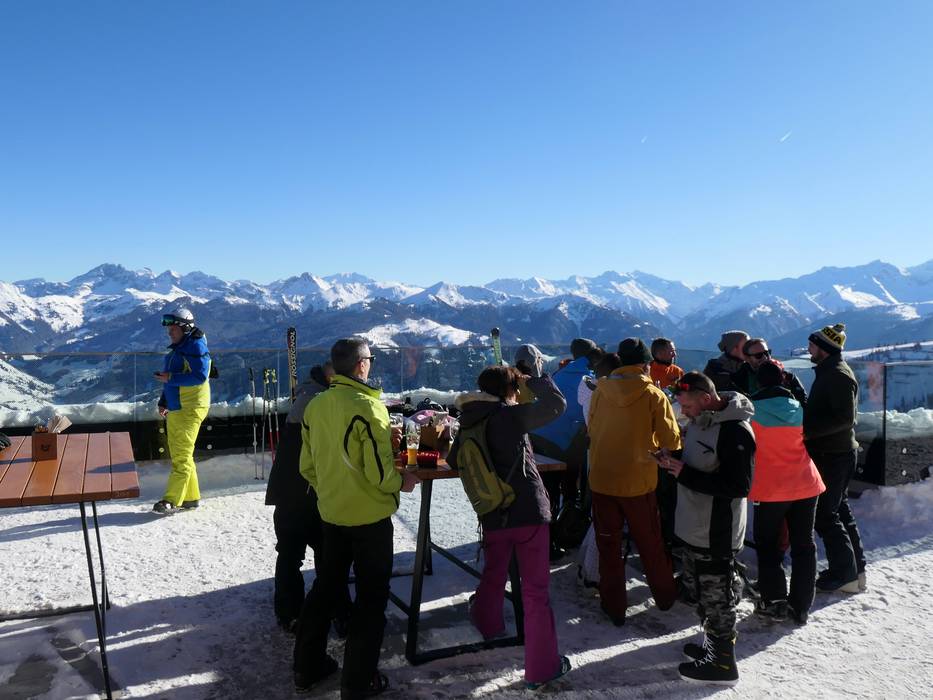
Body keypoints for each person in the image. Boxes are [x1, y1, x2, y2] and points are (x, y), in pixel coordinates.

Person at [292, 338, 419, 698]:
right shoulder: (369, 407)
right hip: (370, 519)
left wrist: (334, 491)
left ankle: (306, 668)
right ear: (362, 365)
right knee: (371, 598)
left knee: (325, 589)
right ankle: (358, 683)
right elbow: (380, 474)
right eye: (370, 359)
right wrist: (402, 482)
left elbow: (307, 467)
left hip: (332, 515)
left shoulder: (316, 406)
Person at [448, 364, 571, 690]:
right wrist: (536, 382)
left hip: (493, 512)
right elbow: (556, 405)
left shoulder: (469, 419)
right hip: (528, 512)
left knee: (494, 570)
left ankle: (487, 623)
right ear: (509, 390)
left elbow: (454, 459)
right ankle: (541, 669)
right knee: (535, 592)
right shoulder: (509, 416)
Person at [661, 372, 755, 685]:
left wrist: (684, 473)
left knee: (717, 598)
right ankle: (712, 648)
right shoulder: (703, 421)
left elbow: (738, 486)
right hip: (695, 526)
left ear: (705, 398)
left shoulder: (735, 431)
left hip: (716, 531)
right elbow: (700, 459)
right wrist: (673, 459)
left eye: (687, 406)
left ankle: (723, 665)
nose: (684, 412)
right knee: (701, 593)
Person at [587, 339, 681, 625]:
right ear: (644, 364)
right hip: (638, 481)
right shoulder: (653, 394)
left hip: (602, 478)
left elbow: (592, 429)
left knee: (608, 544)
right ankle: (665, 597)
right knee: (650, 541)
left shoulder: (599, 391)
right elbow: (671, 440)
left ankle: (614, 606)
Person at [265, 362, 350, 634]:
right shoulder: (321, 403)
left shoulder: (309, 395)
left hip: (292, 491)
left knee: (297, 553)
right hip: (305, 493)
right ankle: (328, 611)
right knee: (323, 553)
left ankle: (294, 612)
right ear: (333, 377)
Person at [748, 361, 825, 625]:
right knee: (804, 545)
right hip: (805, 483)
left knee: (768, 545)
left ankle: (774, 602)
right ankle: (801, 606)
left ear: (758, 382)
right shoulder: (799, 408)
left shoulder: (751, 411)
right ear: (783, 380)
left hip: (770, 488)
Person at [804, 323, 867, 594]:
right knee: (839, 510)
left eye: (812, 344)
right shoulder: (830, 371)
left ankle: (844, 574)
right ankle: (855, 570)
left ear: (825, 348)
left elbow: (844, 418)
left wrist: (807, 432)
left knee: (825, 515)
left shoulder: (838, 375)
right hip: (835, 453)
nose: (809, 349)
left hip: (834, 455)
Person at [527, 338, 596, 560]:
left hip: (537, 433)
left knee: (543, 489)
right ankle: (550, 542)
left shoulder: (561, 372)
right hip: (560, 440)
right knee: (557, 490)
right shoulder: (591, 378)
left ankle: (537, 537)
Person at [152, 308, 212, 514]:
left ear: (185, 328)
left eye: (173, 328)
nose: (169, 332)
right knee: (181, 453)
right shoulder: (181, 347)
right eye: (168, 328)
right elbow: (170, 378)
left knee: (181, 455)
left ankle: (171, 499)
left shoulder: (195, 345)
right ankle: (190, 498)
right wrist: (164, 401)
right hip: (177, 405)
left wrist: (170, 378)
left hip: (190, 406)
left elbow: (200, 376)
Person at [732, 338, 807, 404]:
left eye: (767, 353)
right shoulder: (738, 381)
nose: (765, 358)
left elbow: (803, 402)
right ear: (747, 358)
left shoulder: (788, 377)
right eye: (758, 355)